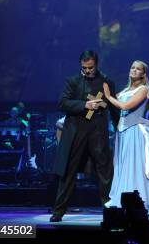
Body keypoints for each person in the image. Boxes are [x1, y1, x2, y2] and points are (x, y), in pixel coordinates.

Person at [50, 50, 117, 222]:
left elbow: (114, 107)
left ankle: (110, 211)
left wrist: (118, 128)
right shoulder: (72, 81)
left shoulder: (106, 81)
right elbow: (62, 102)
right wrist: (84, 104)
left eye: (90, 67)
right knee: (69, 171)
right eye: (84, 67)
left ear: (97, 64)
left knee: (104, 171)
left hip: (97, 131)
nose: (87, 71)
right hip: (76, 131)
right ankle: (58, 211)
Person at [103, 60, 149, 223]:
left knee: (136, 169)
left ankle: (146, 205)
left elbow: (125, 106)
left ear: (143, 74)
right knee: (124, 168)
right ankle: (124, 206)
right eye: (132, 67)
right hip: (123, 133)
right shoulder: (127, 89)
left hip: (135, 132)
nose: (134, 70)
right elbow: (112, 102)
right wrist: (98, 101)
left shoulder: (144, 90)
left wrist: (107, 96)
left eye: (138, 69)